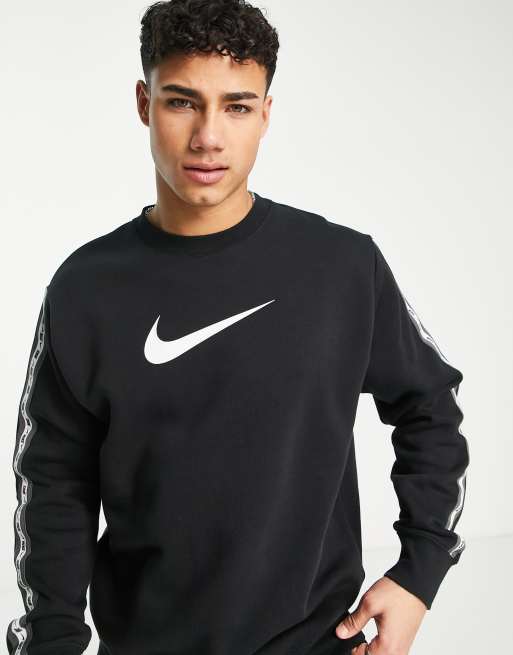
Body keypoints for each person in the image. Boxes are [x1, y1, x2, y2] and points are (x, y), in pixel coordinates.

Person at [6, 1, 469, 654]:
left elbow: (430, 404)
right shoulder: (85, 289)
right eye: (181, 102)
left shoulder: (340, 267)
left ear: (266, 114)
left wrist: (419, 571)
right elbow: (52, 485)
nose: (208, 137)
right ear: (143, 103)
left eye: (237, 106)